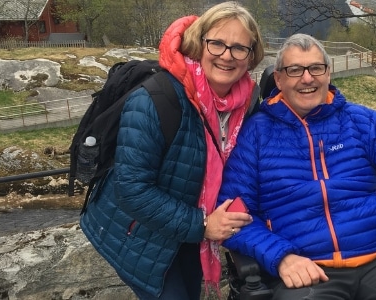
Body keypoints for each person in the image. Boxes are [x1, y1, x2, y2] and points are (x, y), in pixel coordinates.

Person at [217, 33, 376, 300]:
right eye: (295, 70)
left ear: (328, 73)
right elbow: (233, 216)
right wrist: (281, 257)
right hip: (306, 270)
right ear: (279, 79)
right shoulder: (255, 135)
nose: (307, 78)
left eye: (316, 68)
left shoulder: (360, 121)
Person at [79, 2, 263, 299]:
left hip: (188, 229)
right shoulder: (155, 99)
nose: (227, 56)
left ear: (251, 56)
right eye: (217, 44)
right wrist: (203, 225)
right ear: (198, 43)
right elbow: (132, 189)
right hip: (139, 233)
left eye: (240, 48)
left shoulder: (246, 103)